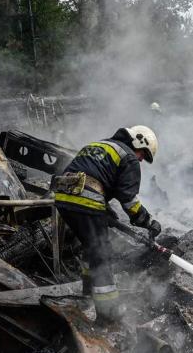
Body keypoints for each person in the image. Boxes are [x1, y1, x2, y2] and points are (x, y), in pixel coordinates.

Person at [53, 126, 162, 321]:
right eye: (143, 154)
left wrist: (104, 209)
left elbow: (92, 175)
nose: (141, 160)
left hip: (63, 199)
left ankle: (87, 292)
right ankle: (107, 314)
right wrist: (148, 221)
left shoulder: (99, 145)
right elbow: (128, 199)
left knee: (91, 247)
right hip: (85, 202)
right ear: (138, 142)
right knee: (102, 255)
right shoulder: (128, 156)